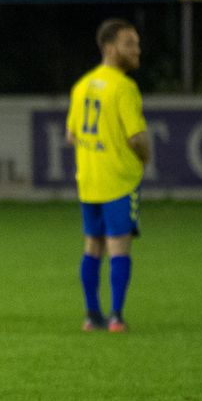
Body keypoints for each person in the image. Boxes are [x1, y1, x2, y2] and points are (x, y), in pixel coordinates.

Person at [66, 18, 150, 333]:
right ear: (110, 48)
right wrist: (146, 157)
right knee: (119, 246)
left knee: (92, 245)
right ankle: (116, 316)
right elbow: (136, 137)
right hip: (118, 180)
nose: (137, 50)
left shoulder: (82, 86)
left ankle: (92, 315)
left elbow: (71, 135)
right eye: (130, 44)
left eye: (137, 44)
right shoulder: (123, 88)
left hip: (89, 180)